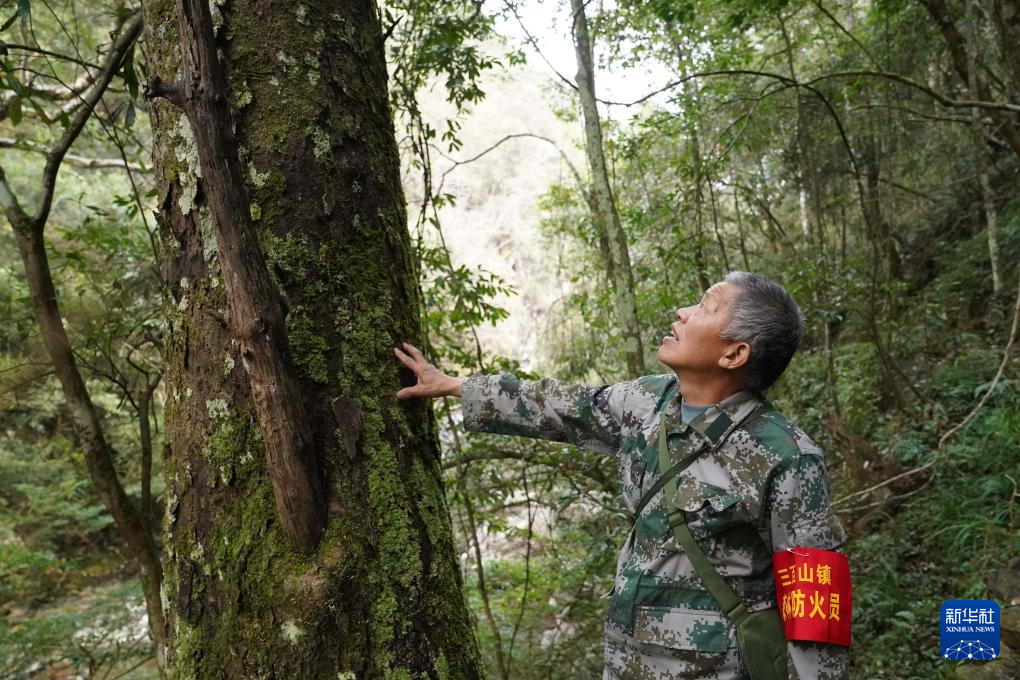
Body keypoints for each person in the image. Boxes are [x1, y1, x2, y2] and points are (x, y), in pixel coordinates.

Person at [394, 271, 850, 679]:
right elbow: (559, 406)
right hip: (626, 659)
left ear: (734, 353)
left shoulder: (786, 456)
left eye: (704, 307)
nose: (682, 312)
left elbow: (814, 610)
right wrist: (455, 386)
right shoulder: (646, 403)